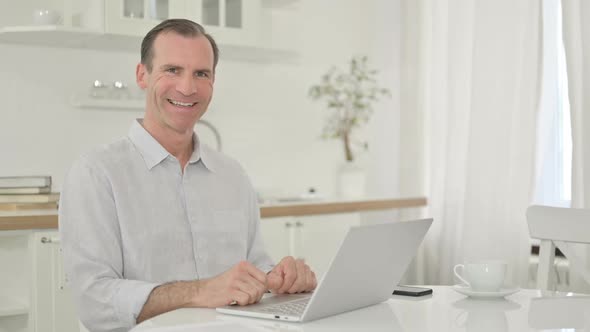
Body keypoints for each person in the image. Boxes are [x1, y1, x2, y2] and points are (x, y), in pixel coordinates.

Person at [59, 18, 317, 332]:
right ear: (143, 75)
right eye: (172, 70)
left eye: (201, 73)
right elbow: (93, 301)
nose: (187, 87)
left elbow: (255, 269)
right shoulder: (96, 174)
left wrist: (282, 278)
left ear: (213, 82)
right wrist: (201, 292)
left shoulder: (232, 175)